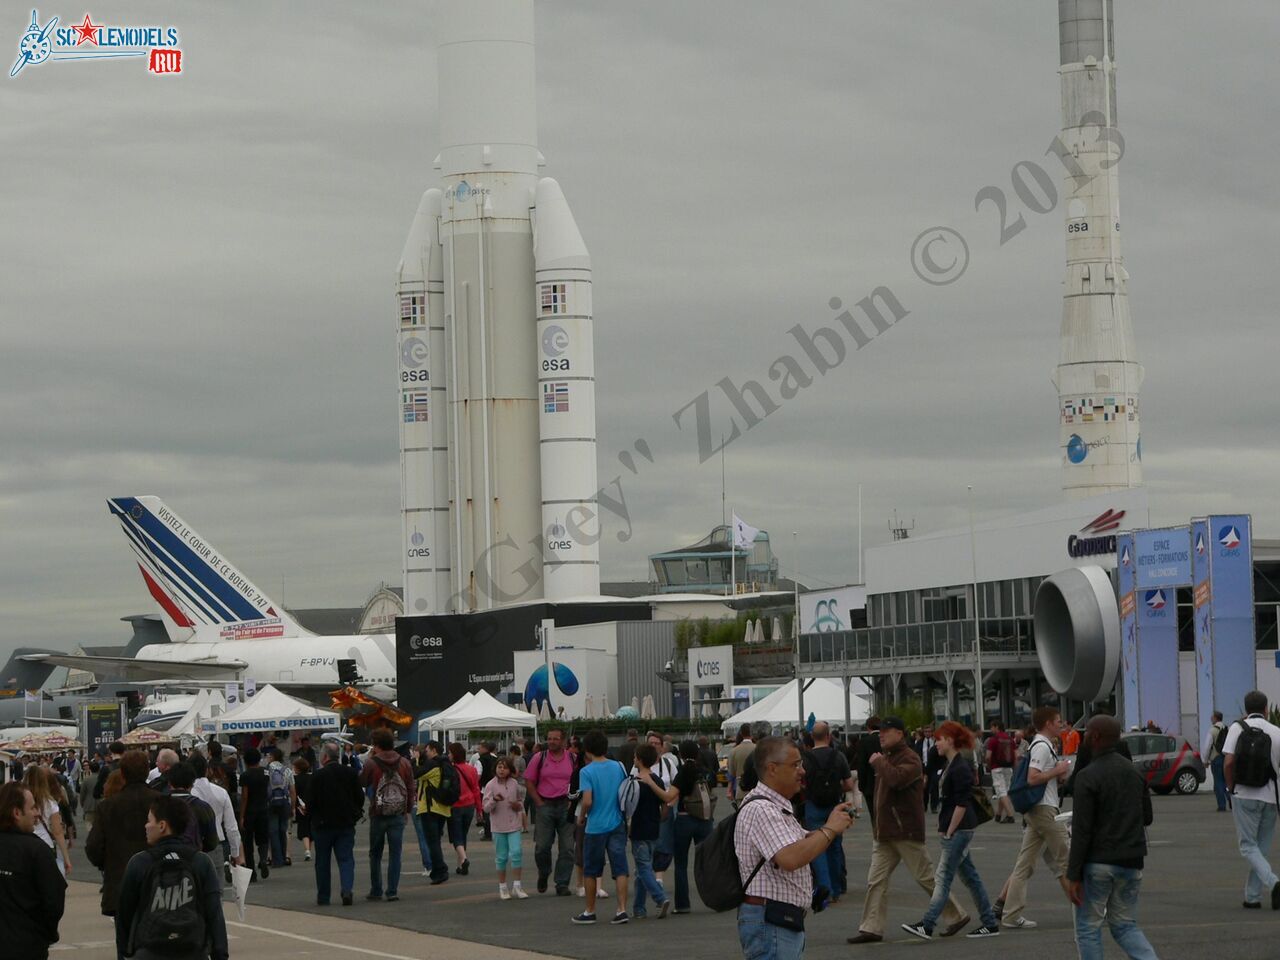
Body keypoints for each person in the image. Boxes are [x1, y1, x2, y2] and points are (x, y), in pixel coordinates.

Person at [847, 716, 966, 944]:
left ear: (900, 734)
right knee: (876, 880)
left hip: (904, 830)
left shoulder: (910, 758)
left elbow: (896, 780)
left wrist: (879, 763)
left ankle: (956, 914)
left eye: (887, 731)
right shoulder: (889, 757)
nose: (881, 735)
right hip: (885, 832)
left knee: (926, 877)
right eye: (880, 731)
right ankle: (871, 927)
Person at [735, 736, 854, 959]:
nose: (803, 771)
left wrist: (831, 824)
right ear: (772, 769)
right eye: (795, 765)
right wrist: (829, 829)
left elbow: (800, 843)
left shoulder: (775, 806)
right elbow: (790, 857)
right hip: (772, 920)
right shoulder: (763, 809)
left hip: (778, 918)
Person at [1067, 715, 1158, 960]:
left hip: (1099, 861)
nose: (1084, 737)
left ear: (1095, 737)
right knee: (1125, 925)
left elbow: (1082, 830)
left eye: (1086, 734)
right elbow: (1147, 817)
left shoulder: (1087, 776)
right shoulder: (1134, 772)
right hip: (1132, 860)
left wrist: (1073, 874)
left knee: (1088, 927)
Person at [900, 721, 1000, 940]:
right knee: (970, 878)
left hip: (959, 830)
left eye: (939, 739)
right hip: (957, 829)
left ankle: (927, 924)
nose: (936, 743)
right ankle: (990, 922)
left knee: (943, 877)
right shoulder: (952, 764)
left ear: (950, 741)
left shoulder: (960, 767)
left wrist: (949, 830)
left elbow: (962, 803)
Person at [114, 794, 228, 960]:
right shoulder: (201, 862)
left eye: (149, 820)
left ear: (162, 826)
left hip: (150, 950)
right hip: (192, 950)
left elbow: (124, 915)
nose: (146, 826)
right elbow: (215, 914)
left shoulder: (140, 863)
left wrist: (124, 953)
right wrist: (220, 954)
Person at [995, 706, 1073, 929]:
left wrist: (1058, 777)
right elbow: (1032, 778)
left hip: (1037, 811)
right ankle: (1085, 908)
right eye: (1058, 721)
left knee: (1024, 864)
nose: (1061, 724)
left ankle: (1010, 914)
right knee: (1066, 859)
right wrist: (1057, 771)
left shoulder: (1042, 745)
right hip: (1045, 810)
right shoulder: (1041, 746)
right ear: (1048, 723)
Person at [1222, 690, 1280, 909]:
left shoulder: (1237, 728)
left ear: (1246, 709)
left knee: (1248, 847)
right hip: (1271, 797)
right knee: (1261, 848)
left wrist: (1230, 787)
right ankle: (1253, 897)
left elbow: (1228, 763)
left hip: (1244, 794)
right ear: (1266, 709)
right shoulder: (1276, 731)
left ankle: (1274, 882)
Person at [0, 782, 67, 960]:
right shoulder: (37, 850)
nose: (37, 813)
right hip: (28, 944)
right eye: (32, 808)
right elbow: (54, 900)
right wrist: (45, 933)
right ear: (16, 813)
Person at [571, 730, 630, 925]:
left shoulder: (586, 772)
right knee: (620, 868)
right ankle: (622, 909)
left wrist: (581, 817)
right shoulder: (618, 767)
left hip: (595, 826)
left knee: (591, 870)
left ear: (587, 750)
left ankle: (590, 910)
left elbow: (587, 800)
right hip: (617, 822)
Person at [86, 750, 154, 916]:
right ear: (147, 771)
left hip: (119, 881)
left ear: (122, 773)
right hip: (156, 882)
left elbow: (94, 846)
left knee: (125, 936)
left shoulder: (107, 806)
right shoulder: (162, 801)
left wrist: (106, 863)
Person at [358, 728, 415, 902]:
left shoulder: (372, 763)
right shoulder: (404, 762)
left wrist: (367, 762)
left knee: (375, 853)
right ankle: (392, 891)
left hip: (378, 812)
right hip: (398, 812)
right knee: (395, 853)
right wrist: (407, 810)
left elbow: (362, 782)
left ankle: (376, 889)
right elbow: (411, 788)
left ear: (376, 745)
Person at [800, 721, 853, 905]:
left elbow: (800, 783)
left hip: (813, 804)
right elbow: (849, 784)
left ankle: (825, 888)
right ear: (829, 736)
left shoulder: (806, 759)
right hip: (834, 805)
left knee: (817, 846)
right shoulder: (838, 756)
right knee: (835, 846)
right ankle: (837, 888)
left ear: (812, 737)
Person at [310, 742, 364, 906]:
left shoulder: (317, 776)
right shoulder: (350, 773)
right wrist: (354, 812)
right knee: (346, 858)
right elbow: (359, 798)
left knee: (322, 862)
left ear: (325, 757)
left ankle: (323, 896)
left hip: (323, 824)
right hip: (345, 823)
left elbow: (310, 801)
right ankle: (347, 889)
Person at [525, 727, 578, 895]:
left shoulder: (573, 758)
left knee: (568, 848)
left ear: (563, 741)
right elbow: (529, 781)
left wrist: (573, 801)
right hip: (545, 804)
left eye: (555, 739)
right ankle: (544, 871)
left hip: (566, 805)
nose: (552, 742)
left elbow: (581, 780)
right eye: (549, 738)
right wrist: (539, 802)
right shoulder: (538, 758)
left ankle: (562, 883)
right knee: (542, 846)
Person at [630, 742, 676, 919]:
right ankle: (639, 908)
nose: (633, 759)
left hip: (639, 828)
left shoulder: (636, 781)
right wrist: (661, 818)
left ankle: (660, 897)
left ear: (639, 760)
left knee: (642, 868)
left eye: (635, 757)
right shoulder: (656, 779)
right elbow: (665, 804)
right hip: (654, 827)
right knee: (642, 868)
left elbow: (629, 806)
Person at [191, 754, 243, 891]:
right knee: (216, 893)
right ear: (207, 770)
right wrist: (235, 853)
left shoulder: (188, 794)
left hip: (192, 846)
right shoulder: (221, 792)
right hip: (215, 844)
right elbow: (231, 827)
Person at [482, 756, 528, 899]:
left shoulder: (514, 784)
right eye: (499, 767)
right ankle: (503, 887)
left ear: (510, 770)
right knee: (501, 857)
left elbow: (520, 802)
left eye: (505, 767)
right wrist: (494, 800)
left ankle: (517, 886)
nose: (502, 770)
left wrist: (517, 806)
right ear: (495, 768)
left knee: (516, 853)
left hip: (514, 824)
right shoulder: (490, 785)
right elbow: (485, 808)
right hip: (498, 826)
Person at [23, 765, 72, 879]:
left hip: (24, 843)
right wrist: (66, 858)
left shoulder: (19, 800)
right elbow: (58, 832)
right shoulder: (50, 802)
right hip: (45, 845)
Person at [414, 741, 452, 885]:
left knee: (432, 841)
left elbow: (416, 774)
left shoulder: (434, 765)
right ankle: (439, 869)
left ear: (434, 750)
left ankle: (440, 870)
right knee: (435, 840)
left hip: (430, 807)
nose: (426, 753)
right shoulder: (445, 763)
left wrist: (416, 759)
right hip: (442, 807)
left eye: (427, 750)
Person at [167, 762, 221, 855]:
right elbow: (212, 842)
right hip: (192, 859)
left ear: (169, 783)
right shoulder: (203, 807)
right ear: (192, 783)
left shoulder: (159, 806)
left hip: (165, 860)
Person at [238, 747, 272, 881]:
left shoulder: (245, 775)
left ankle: (251, 872)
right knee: (263, 839)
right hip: (263, 809)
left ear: (246, 761)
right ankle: (263, 859)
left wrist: (241, 816)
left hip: (250, 812)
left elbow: (245, 796)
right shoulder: (265, 772)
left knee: (248, 842)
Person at [449, 741, 481, 875]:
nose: (448, 755)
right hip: (470, 805)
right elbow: (476, 789)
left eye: (450, 753)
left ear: (454, 755)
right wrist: (479, 810)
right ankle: (460, 864)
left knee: (456, 836)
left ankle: (464, 859)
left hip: (455, 805)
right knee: (463, 834)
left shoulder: (451, 770)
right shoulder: (471, 769)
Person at [265, 747, 297, 867]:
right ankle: (284, 857)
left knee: (273, 831)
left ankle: (276, 859)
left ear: (272, 757)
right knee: (283, 830)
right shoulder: (287, 770)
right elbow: (293, 791)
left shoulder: (267, 770)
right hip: (284, 803)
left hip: (271, 803)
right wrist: (293, 807)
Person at [986, 721, 1017, 824]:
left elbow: (988, 756)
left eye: (992, 727)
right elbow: (1015, 755)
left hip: (997, 767)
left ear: (996, 727)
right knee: (1004, 790)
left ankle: (1010, 815)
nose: (991, 729)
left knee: (1000, 791)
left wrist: (989, 766)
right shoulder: (1010, 739)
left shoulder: (993, 740)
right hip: (1008, 767)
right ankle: (998, 814)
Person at [854, 718, 882, 825]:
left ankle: (877, 834)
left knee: (873, 813)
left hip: (870, 784)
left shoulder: (864, 742)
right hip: (886, 781)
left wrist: (862, 785)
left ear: (868, 727)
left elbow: (861, 765)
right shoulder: (886, 739)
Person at [1203, 710, 1229, 812]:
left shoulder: (1212, 730)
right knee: (1226, 781)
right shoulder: (1227, 728)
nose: (1210, 718)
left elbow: (1207, 746)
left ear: (1215, 718)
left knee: (1218, 782)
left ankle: (1222, 805)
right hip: (1226, 757)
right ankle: (1231, 800)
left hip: (1216, 758)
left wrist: (1205, 760)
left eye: (1212, 716)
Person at [475, 741, 498, 841]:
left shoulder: (479, 761)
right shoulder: (496, 759)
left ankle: (488, 833)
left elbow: (478, 776)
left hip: (485, 788)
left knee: (486, 811)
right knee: (497, 811)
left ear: (485, 749)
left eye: (479, 748)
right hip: (497, 786)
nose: (478, 750)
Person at [292, 757, 314, 861]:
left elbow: (294, 793)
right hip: (312, 805)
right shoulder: (312, 778)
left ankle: (307, 851)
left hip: (301, 806)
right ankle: (309, 849)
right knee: (311, 827)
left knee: (304, 829)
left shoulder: (295, 779)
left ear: (298, 768)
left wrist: (294, 805)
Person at [729, 724, 755, 804]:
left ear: (741, 733)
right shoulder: (758, 748)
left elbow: (732, 772)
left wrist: (729, 789)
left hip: (741, 787)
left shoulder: (734, 751)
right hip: (756, 787)